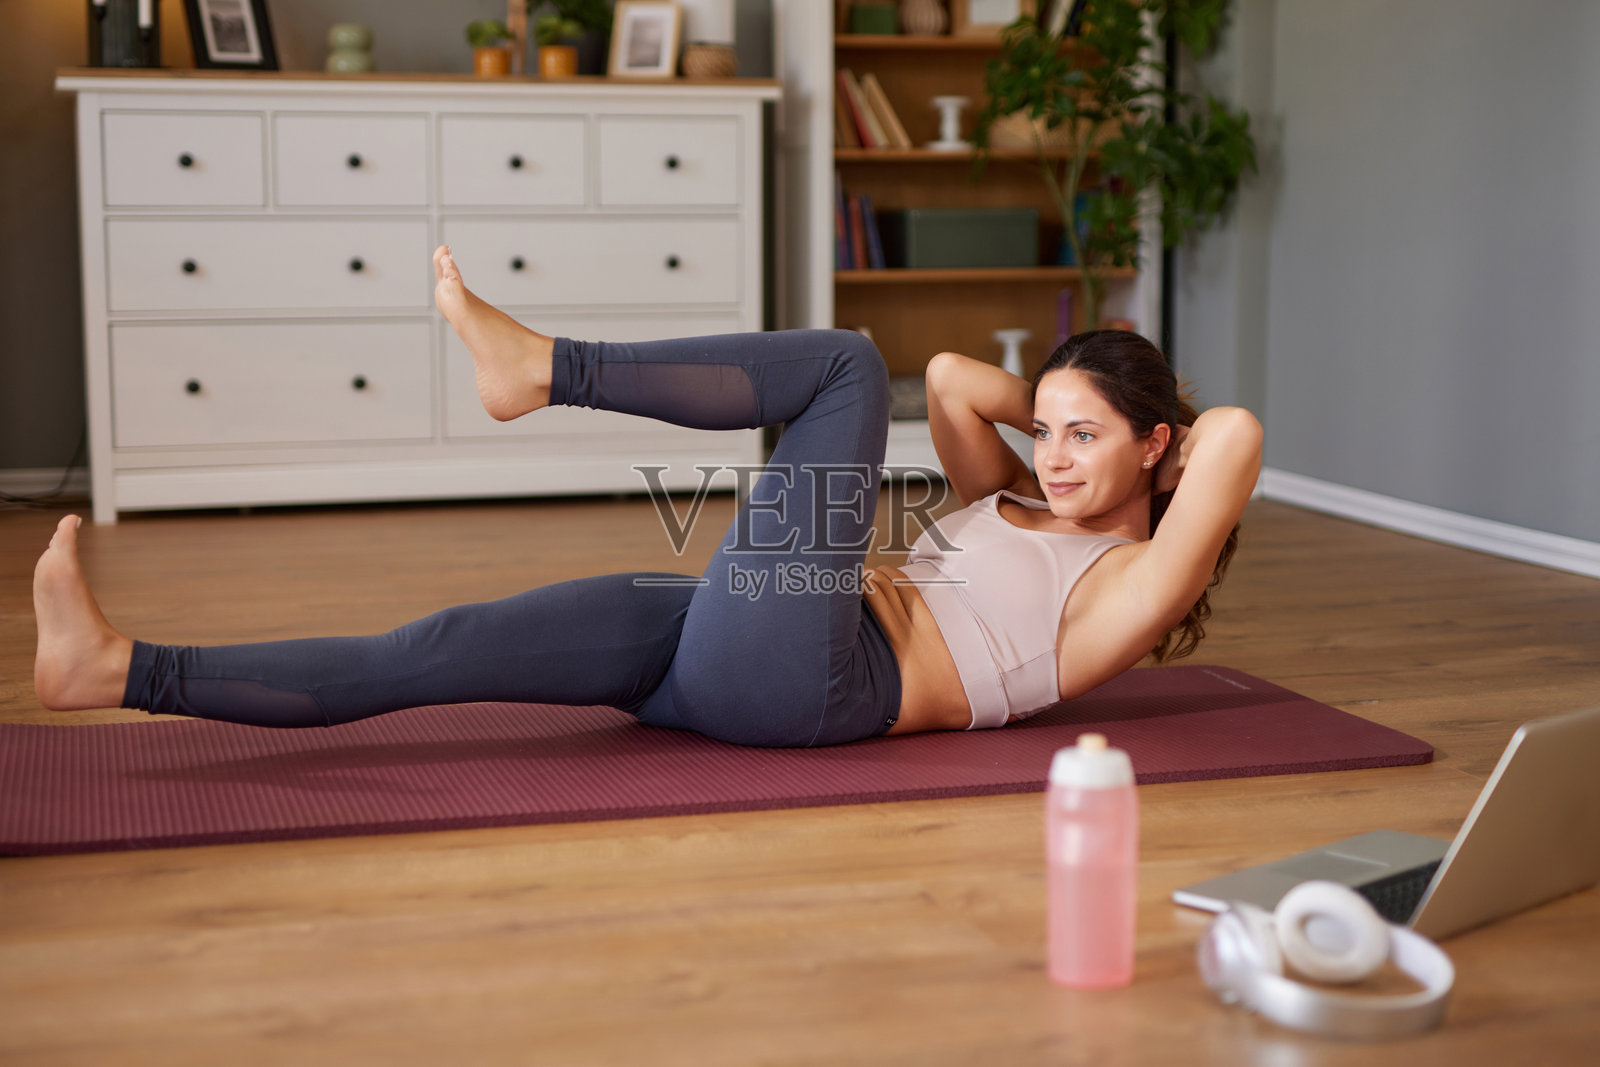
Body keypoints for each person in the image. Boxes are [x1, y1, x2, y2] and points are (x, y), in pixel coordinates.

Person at [31, 246, 1262, 747]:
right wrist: (1067, 402)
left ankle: (545, 370)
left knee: (840, 362)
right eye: (1041, 430)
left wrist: (1152, 440)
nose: (1046, 455)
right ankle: (121, 671)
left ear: (1160, 447)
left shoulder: (1129, 591)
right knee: (439, 645)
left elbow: (1239, 435)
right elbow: (948, 377)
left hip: (820, 680)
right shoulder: (1015, 495)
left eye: (1082, 439)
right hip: (723, 639)